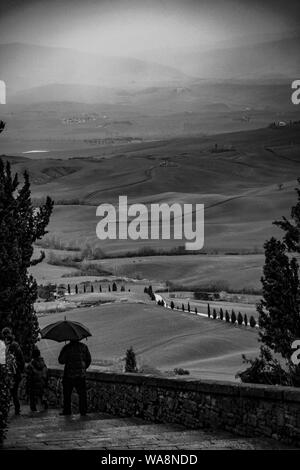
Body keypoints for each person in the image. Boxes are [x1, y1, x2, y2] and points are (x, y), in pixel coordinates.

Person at [58, 339, 91, 416]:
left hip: (69, 375)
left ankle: (67, 411)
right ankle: (83, 411)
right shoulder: (84, 347)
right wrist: (83, 368)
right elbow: (88, 360)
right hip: (81, 376)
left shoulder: (67, 348)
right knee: (82, 394)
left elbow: (61, 360)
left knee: (67, 394)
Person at [2, 327, 25, 415]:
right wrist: (21, 370)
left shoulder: (9, 347)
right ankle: (16, 409)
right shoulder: (16, 345)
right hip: (17, 372)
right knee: (13, 391)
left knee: (11, 391)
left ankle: (13, 409)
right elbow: (22, 360)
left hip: (12, 373)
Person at [26, 347, 48, 412]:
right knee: (41, 395)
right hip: (42, 383)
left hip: (34, 384)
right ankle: (45, 404)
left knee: (32, 397)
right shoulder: (43, 364)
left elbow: (29, 376)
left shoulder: (31, 365)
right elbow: (47, 373)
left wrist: (28, 386)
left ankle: (33, 410)